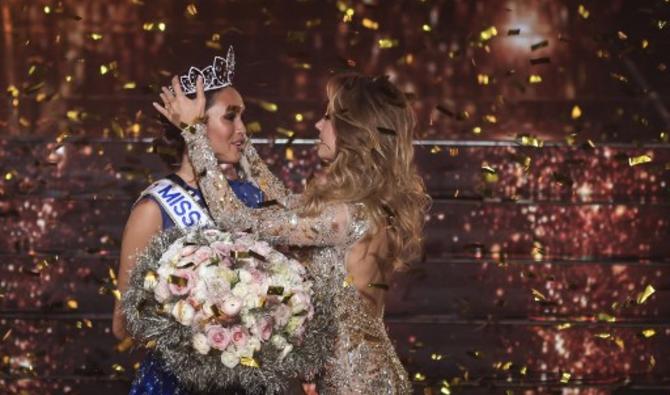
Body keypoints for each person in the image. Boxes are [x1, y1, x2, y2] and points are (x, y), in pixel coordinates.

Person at [155, 71, 430, 394]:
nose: (318, 125)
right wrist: (240, 142)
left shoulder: (345, 216)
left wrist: (194, 132)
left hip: (358, 385)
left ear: (355, 131)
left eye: (328, 117)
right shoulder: (355, 206)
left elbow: (234, 218)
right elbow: (284, 201)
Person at [113, 48, 264, 394]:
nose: (242, 129)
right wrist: (198, 321)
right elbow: (122, 325)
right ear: (195, 123)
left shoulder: (250, 197)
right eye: (231, 117)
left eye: (243, 117)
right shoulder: (155, 207)